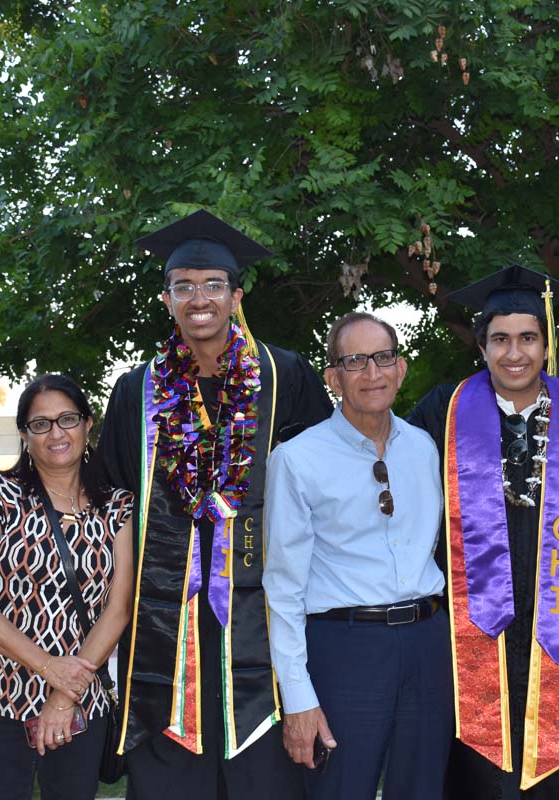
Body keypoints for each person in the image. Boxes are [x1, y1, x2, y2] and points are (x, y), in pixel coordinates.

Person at [97, 209, 333, 799]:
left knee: (263, 779)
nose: (197, 298)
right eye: (183, 286)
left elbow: (325, 487)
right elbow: (115, 500)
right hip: (166, 622)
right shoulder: (137, 390)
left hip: (264, 612)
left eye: (212, 285)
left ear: (236, 295)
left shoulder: (285, 376)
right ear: (167, 297)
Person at [407, 265, 559, 799]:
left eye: (528, 338)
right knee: (479, 774)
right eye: (500, 339)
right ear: (482, 347)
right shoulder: (442, 410)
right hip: (470, 627)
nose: (515, 353)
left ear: (547, 344)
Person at [264, 311, 451, 800]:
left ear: (401, 368)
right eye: (356, 361)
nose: (373, 373)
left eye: (383, 357)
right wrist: (298, 697)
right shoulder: (297, 460)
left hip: (428, 644)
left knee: (424, 789)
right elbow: (283, 589)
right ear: (333, 378)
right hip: (345, 651)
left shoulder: (425, 448)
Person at [0, 373, 134, 799]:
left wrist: (63, 696)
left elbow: (120, 608)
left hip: (79, 701)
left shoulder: (118, 507)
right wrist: (50, 669)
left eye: (67, 419)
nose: (56, 433)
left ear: (88, 425)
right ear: (25, 435)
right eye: (41, 424)